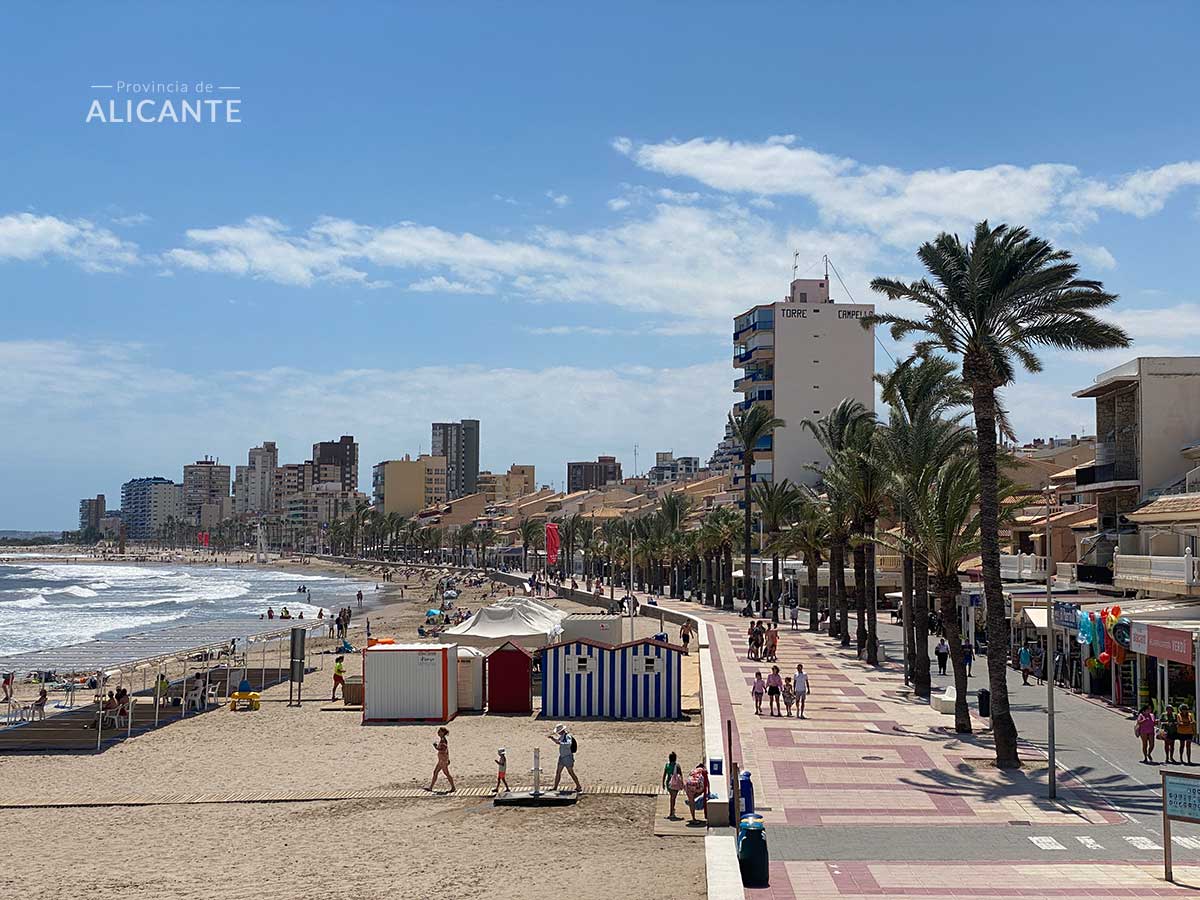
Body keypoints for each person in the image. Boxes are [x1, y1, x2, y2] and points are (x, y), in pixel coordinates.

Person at [549, 724, 582, 793]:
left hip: (567, 757)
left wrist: (560, 743)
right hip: (562, 757)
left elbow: (568, 743)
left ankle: (578, 786)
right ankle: (555, 787)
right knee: (558, 772)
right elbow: (558, 742)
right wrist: (553, 739)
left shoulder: (567, 736)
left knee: (571, 772)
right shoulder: (563, 736)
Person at [427, 727, 456, 792]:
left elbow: (443, 749)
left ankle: (453, 787)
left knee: (446, 773)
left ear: (443, 733)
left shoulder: (443, 740)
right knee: (435, 772)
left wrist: (436, 747)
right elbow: (446, 750)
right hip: (442, 760)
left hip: (443, 760)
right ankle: (430, 787)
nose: (438, 733)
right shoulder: (442, 739)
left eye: (439, 731)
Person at [662, 750, 684, 818]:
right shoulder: (677, 766)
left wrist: (663, 783)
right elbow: (680, 775)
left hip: (668, 782)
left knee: (672, 797)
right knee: (673, 798)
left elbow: (664, 774)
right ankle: (671, 812)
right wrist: (682, 784)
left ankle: (672, 811)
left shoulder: (667, 765)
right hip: (675, 783)